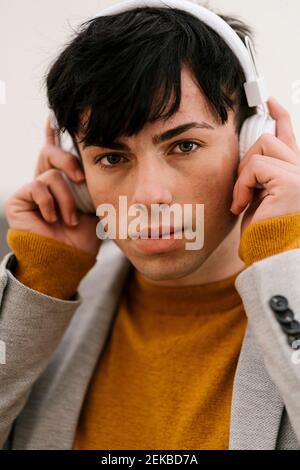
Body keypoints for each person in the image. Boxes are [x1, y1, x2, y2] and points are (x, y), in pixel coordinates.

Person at [1, 2, 300, 450]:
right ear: (77, 171)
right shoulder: (47, 305)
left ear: (250, 142)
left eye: (184, 145)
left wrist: (286, 257)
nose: (147, 195)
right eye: (112, 158)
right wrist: (43, 278)